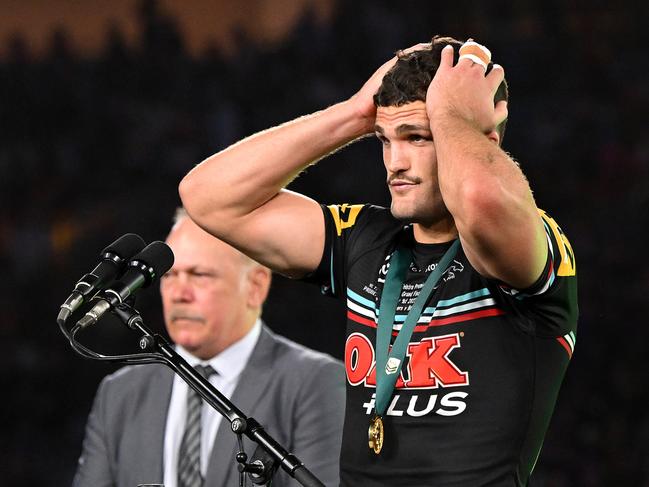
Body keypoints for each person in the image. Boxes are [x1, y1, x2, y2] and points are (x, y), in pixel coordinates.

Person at [178, 34, 578, 486]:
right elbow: (208, 197)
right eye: (385, 140)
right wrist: (353, 114)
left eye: (417, 137)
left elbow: (482, 198)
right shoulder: (366, 237)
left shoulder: (534, 241)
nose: (395, 163)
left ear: (479, 136)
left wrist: (452, 116)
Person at [72, 209, 345, 487]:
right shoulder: (119, 393)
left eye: (199, 275)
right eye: (170, 276)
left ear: (256, 285)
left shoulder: (315, 383)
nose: (179, 294)